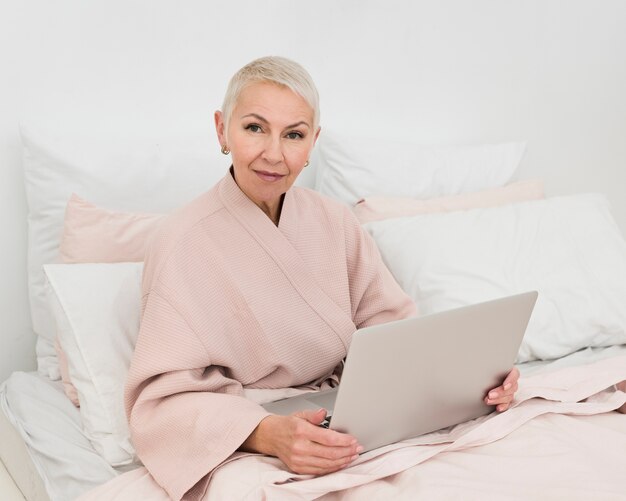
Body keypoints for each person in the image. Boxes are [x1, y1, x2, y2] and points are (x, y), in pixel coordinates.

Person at [124, 56, 520, 500]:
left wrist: (471, 380)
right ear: (222, 129)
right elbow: (164, 402)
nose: (274, 154)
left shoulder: (335, 221)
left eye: (293, 134)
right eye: (255, 128)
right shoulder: (180, 241)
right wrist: (268, 433)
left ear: (313, 142)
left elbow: (393, 332)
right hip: (248, 430)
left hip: (354, 413)